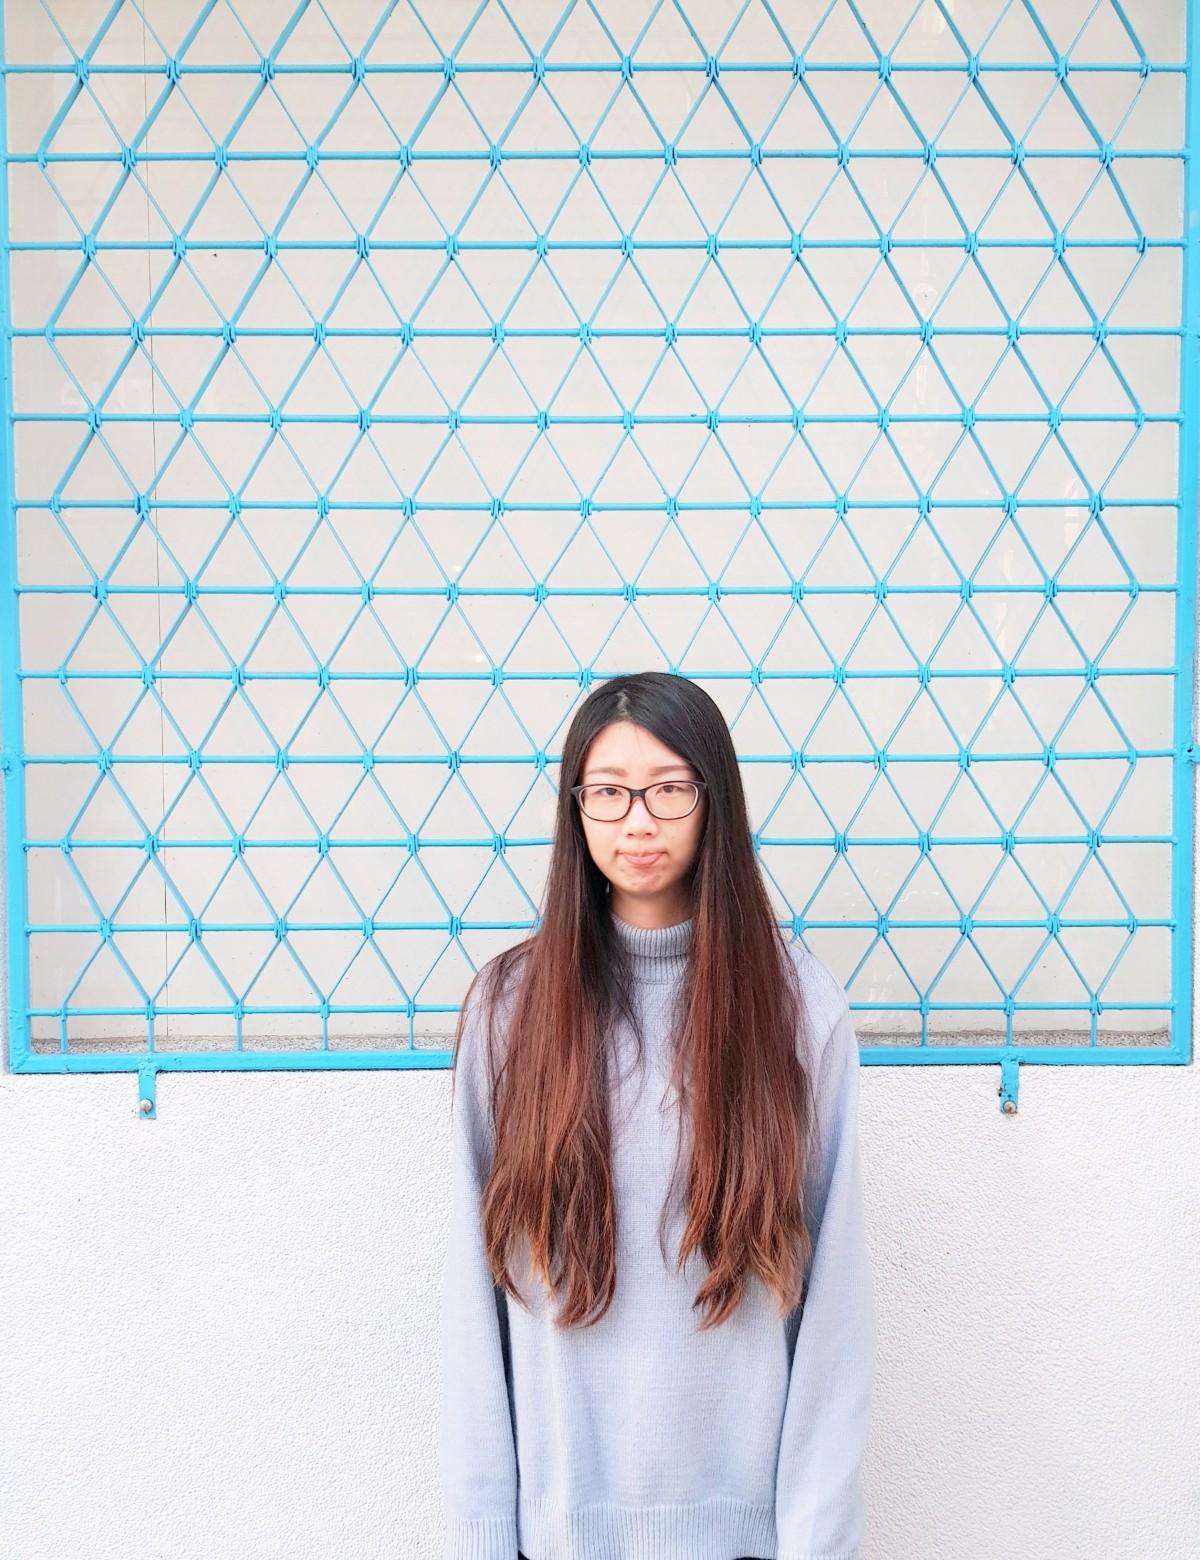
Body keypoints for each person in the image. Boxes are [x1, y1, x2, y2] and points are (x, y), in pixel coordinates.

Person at [438, 670, 875, 1560]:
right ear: (576, 809)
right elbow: (469, 1300)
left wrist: (818, 1542)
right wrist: (482, 1537)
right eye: (608, 792)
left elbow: (836, 1307)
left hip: (750, 1539)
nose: (637, 820)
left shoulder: (799, 1008)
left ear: (715, 801)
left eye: (669, 789)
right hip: (560, 1539)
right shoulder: (509, 1010)